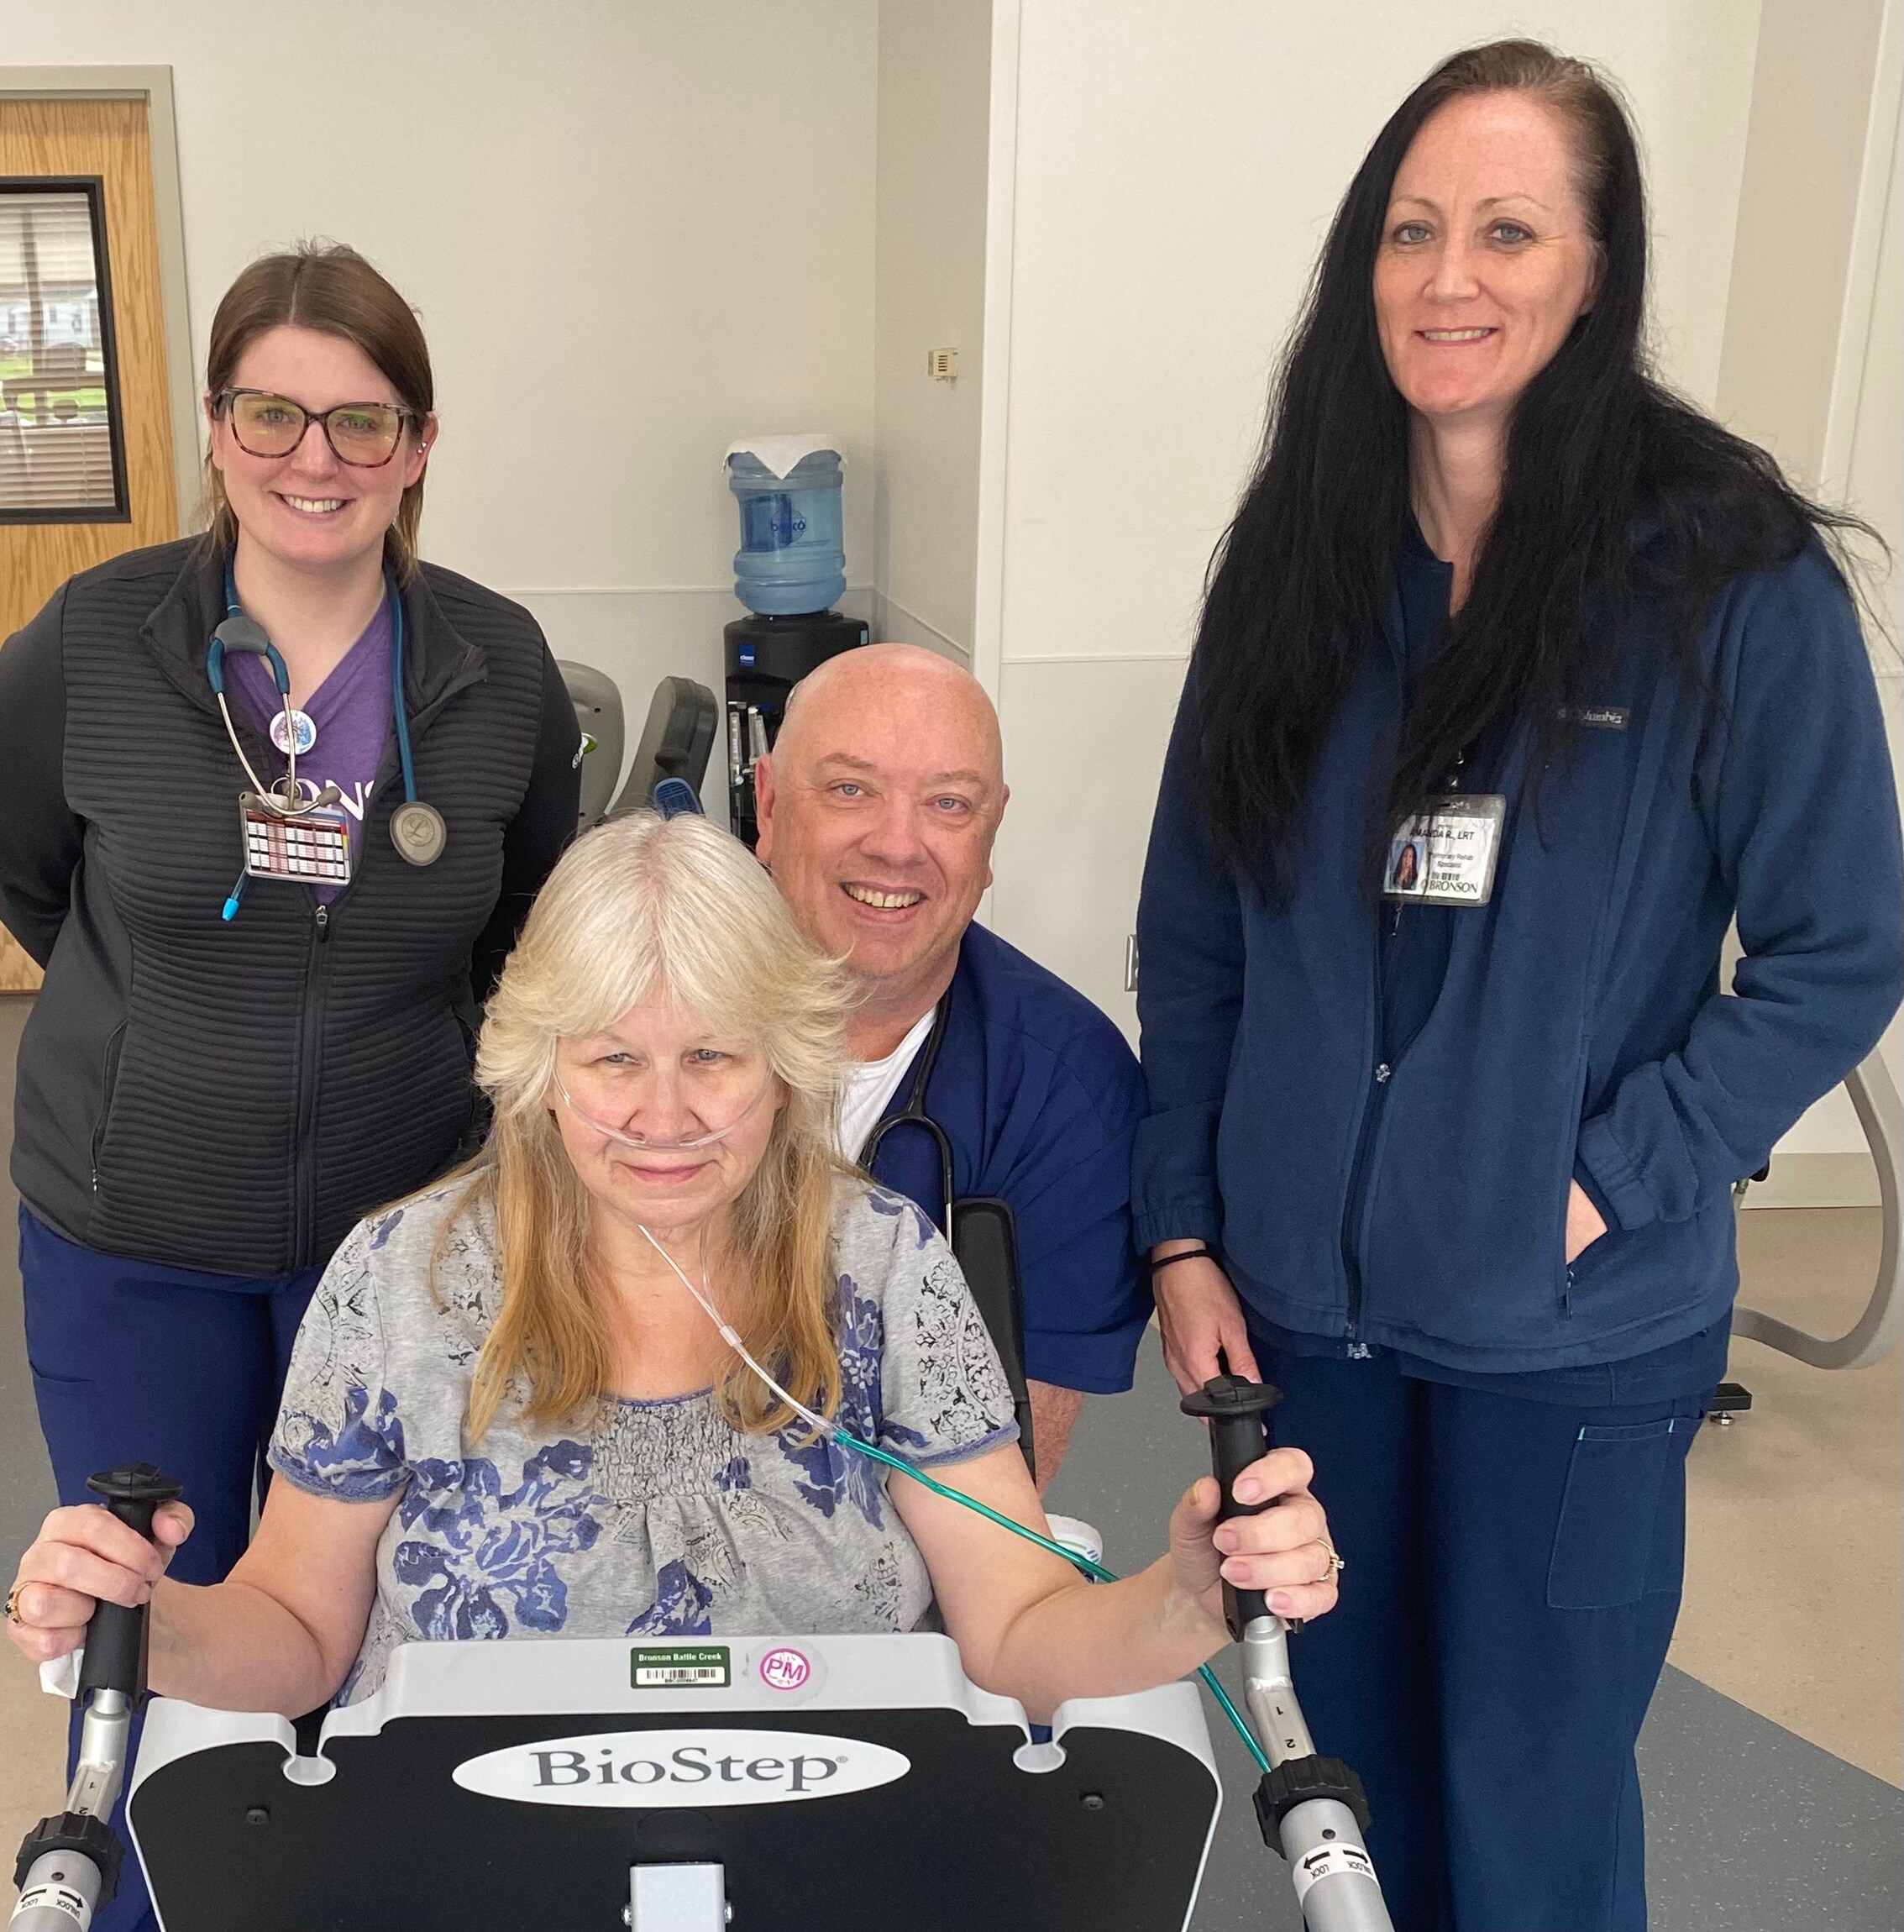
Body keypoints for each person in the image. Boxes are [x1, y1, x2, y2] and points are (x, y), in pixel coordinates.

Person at [1134, 39, 1901, 1932]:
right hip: (1309, 1324)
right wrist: (1181, 1232)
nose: (1444, 277)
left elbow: (1836, 948)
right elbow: (1193, 927)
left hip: (1568, 1335)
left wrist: (1612, 1175)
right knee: (1344, 1791)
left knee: (1533, 1805)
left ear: (1589, 269)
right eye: (1409, 229)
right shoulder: (1297, 562)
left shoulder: (1723, 579)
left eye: (1501, 229)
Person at [4, 811, 1341, 1738]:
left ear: (785, 1061)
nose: (664, 1118)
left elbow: (1016, 1634)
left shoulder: (879, 1270)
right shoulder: (402, 1281)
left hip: (832, 1844)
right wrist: (144, 1627)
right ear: (536, 1067)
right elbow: (296, 1628)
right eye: (610, 1061)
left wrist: (1187, 1596)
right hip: (472, 1858)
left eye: (713, 1056)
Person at [0, 244, 579, 1932]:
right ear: (215, 422)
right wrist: (181, 1013)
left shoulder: (493, 665)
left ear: (417, 442)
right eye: (272, 412)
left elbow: (526, 941)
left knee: (377, 1611)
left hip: (405, 1248)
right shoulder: (95, 640)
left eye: (359, 419)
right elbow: (37, 874)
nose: (312, 458)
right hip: (137, 1232)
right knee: (158, 1617)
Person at [752, 644, 1150, 1486]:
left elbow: (1003, 1493)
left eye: (947, 803)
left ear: (991, 830)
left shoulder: (1065, 1089)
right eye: (850, 788)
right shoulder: (634, 1027)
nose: (898, 844)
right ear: (768, 801)